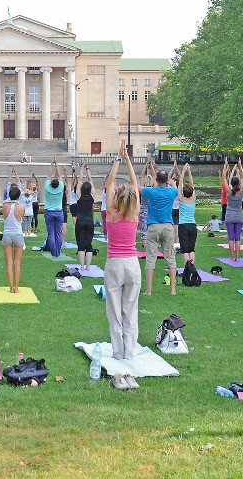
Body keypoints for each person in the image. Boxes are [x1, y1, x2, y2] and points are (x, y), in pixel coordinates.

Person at [103, 139, 141, 370]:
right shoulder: (134, 213)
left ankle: (118, 352)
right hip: (132, 264)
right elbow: (135, 185)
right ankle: (130, 352)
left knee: (114, 311)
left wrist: (118, 158)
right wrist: (128, 159)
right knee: (131, 309)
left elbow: (109, 185)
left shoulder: (111, 214)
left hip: (114, 265)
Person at [142, 162, 179, 296]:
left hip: (153, 227)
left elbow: (138, 187)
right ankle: (173, 289)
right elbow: (176, 187)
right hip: (168, 227)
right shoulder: (171, 192)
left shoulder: (151, 191)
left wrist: (150, 171)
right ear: (166, 181)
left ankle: (149, 290)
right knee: (170, 257)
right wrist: (171, 182)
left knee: (151, 258)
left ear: (156, 180)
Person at [1, 184, 24, 293]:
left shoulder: (5, 205)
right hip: (18, 234)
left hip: (7, 234)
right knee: (17, 263)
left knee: (9, 263)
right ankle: (16, 287)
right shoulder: (21, 207)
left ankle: (11, 287)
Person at [222, 160, 243, 261]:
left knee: (231, 237)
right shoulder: (240, 192)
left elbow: (223, 179)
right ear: (238, 183)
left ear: (231, 183)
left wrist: (225, 168)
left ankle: (232, 256)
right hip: (239, 216)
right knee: (238, 238)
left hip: (230, 217)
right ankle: (237, 256)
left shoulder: (228, 192)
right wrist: (240, 167)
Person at [75, 164, 96, 271]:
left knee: (81, 244)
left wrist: (82, 168)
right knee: (89, 244)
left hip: (80, 222)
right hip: (89, 222)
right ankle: (88, 266)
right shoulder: (92, 196)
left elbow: (79, 180)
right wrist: (88, 168)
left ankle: (82, 266)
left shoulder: (79, 196)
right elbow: (90, 179)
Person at [43, 158, 65, 257]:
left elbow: (49, 175)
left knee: (51, 233)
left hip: (49, 212)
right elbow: (59, 175)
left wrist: (51, 164)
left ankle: (53, 253)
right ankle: (58, 252)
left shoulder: (47, 188)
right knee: (58, 233)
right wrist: (57, 164)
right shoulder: (61, 188)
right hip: (59, 212)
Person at [177, 163, 197, 265]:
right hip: (192, 225)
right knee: (191, 249)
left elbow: (180, 185)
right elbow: (192, 185)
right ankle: (192, 267)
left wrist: (183, 171)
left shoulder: (181, 199)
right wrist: (189, 171)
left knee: (185, 249)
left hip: (183, 225)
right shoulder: (193, 198)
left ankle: (187, 269)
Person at [138, 160, 156, 243]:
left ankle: (145, 248)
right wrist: (151, 167)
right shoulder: (154, 190)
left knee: (144, 232)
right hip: (152, 211)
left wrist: (146, 165)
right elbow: (155, 176)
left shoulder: (143, 190)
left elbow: (142, 176)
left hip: (143, 211)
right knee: (152, 231)